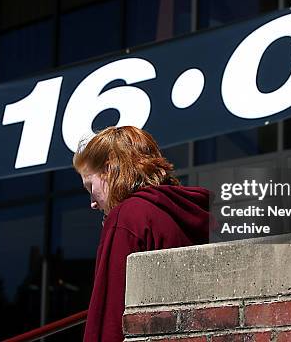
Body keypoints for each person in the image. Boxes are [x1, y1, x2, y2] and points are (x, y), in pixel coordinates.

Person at [73, 126, 210, 342]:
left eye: (91, 186)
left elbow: (110, 315)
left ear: (110, 171)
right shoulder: (188, 214)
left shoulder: (127, 218)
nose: (92, 202)